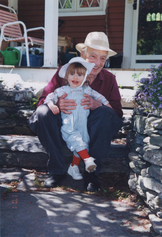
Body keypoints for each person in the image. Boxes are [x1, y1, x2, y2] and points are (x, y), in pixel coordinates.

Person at [28, 31, 123, 191]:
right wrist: (57, 103)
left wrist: (99, 105)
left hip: (93, 131)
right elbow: (42, 102)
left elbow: (117, 114)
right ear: (82, 54)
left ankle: (91, 174)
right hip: (65, 127)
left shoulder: (109, 79)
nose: (98, 63)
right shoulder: (65, 73)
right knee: (44, 112)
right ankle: (57, 171)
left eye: (102, 58)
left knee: (106, 113)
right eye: (93, 56)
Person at [44, 57, 110, 181]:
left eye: (80, 74)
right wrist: (52, 105)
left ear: (85, 77)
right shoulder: (63, 90)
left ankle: (73, 167)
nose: (75, 77)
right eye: (72, 74)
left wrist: (107, 105)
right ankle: (88, 160)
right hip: (69, 125)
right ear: (66, 76)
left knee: (83, 142)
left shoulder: (87, 90)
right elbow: (49, 97)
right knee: (77, 141)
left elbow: (100, 97)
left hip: (82, 125)